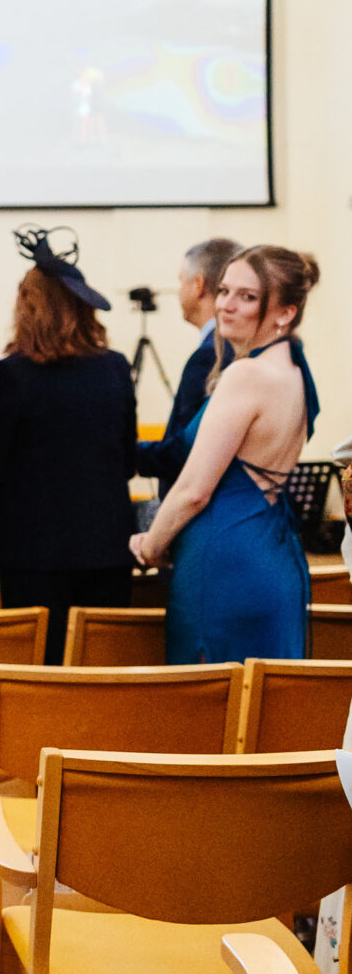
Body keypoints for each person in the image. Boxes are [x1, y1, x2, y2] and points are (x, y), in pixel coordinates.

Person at [139, 246, 320, 665]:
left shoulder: (246, 375)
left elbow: (193, 491)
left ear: (285, 312)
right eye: (224, 290)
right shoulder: (294, 368)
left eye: (248, 296)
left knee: (210, 710)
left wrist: (151, 544)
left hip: (223, 561)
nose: (226, 304)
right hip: (272, 553)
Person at [0, 227, 138, 664]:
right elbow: (126, 457)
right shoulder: (115, 368)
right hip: (105, 549)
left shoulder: (13, 375)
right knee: (100, 675)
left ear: (27, 309)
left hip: (32, 553)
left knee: (40, 677)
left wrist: (25, 514)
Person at [135, 236, 240, 489]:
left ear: (198, 285)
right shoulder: (238, 347)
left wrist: (121, 454)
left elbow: (188, 449)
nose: (179, 290)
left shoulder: (211, 355)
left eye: (180, 280)